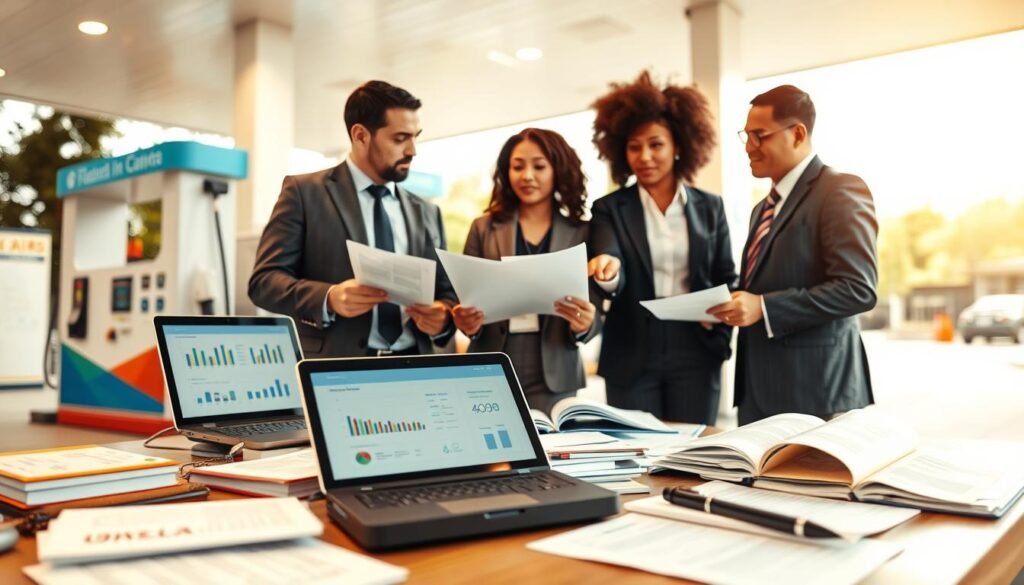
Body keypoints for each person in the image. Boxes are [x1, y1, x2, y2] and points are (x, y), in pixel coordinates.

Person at [708, 85, 878, 424]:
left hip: (815, 392)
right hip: (756, 391)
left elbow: (857, 289)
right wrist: (728, 304)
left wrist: (764, 307)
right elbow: (764, 283)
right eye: (746, 135)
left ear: (798, 134)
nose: (749, 147)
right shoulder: (762, 209)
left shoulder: (840, 190)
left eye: (759, 135)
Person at [249, 80, 456, 358]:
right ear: (360, 135)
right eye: (400, 138)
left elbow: (447, 294)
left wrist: (442, 318)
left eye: (415, 136)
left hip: (414, 368)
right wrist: (329, 297)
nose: (412, 150)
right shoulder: (304, 193)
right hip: (336, 370)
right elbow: (264, 282)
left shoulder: (427, 211)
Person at [587, 71, 737, 424]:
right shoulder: (609, 208)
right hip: (632, 350)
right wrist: (607, 270)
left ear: (679, 146)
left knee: (696, 457)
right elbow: (609, 262)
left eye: (656, 144)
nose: (645, 156)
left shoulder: (710, 207)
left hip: (696, 350)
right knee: (637, 459)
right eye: (634, 146)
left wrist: (719, 324)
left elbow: (726, 276)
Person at [451, 128, 600, 413]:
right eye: (518, 167)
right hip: (492, 360)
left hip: (554, 368)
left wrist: (586, 323)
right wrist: (465, 320)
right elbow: (465, 299)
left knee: (551, 454)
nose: (527, 175)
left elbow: (596, 311)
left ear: (558, 170)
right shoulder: (483, 228)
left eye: (539, 166)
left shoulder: (581, 232)